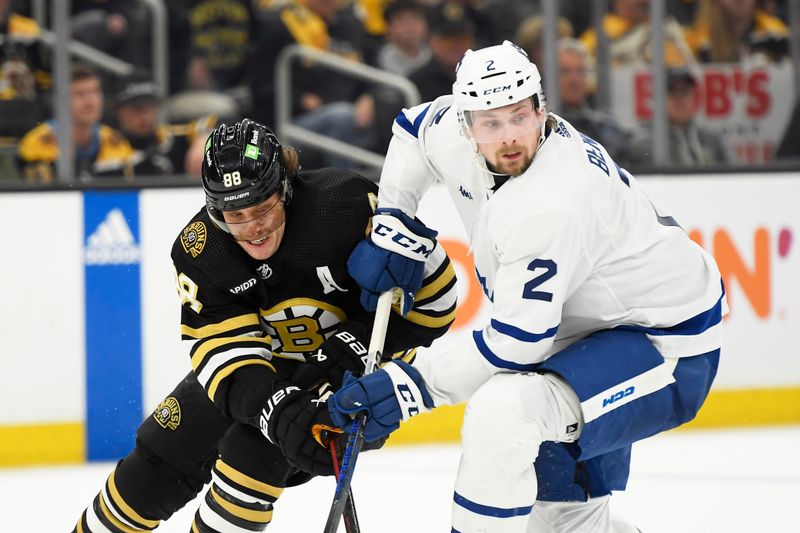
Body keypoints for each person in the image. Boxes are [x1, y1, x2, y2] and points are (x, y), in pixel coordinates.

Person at [328, 41, 726, 533]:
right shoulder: (453, 132)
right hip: (579, 333)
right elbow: (412, 131)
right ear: (465, 124)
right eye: (491, 123)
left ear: (542, 109)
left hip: (662, 344)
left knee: (504, 413)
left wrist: (410, 384)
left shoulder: (552, 201)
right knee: (565, 521)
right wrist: (394, 220)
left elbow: (516, 345)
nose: (510, 137)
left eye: (521, 117)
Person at [71, 119, 457, 532]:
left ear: (285, 188)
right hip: (259, 373)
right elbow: (227, 358)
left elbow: (436, 304)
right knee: (154, 466)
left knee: (249, 458)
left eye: (263, 207)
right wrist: (279, 412)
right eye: (235, 214)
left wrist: (362, 338)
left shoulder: (344, 205)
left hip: (348, 378)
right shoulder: (202, 250)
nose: (253, 227)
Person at [17, 64, 134, 183]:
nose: (90, 102)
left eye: (95, 92)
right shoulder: (38, 143)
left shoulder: (114, 141)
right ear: (61, 101)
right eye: (79, 94)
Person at [636, 66, 729, 168]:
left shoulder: (711, 139)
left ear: (694, 96)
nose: (680, 99)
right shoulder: (644, 143)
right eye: (673, 92)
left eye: (685, 92)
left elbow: (732, 177)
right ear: (659, 98)